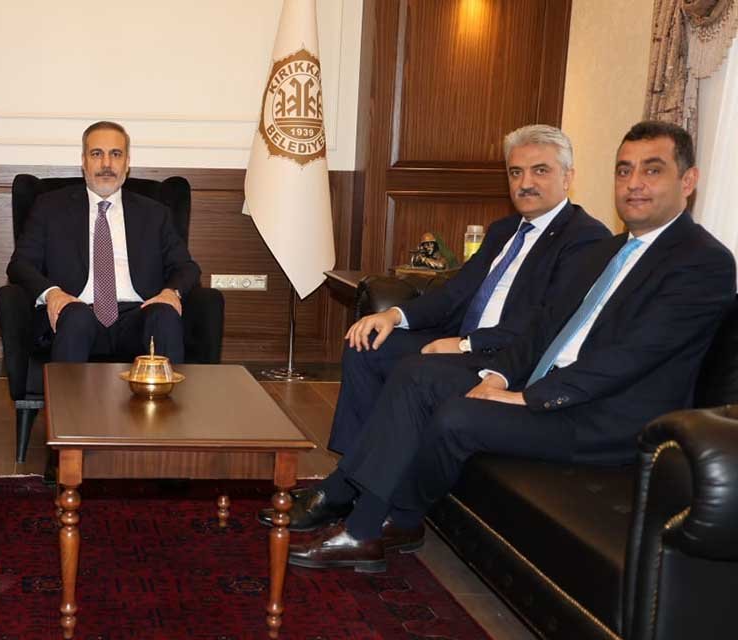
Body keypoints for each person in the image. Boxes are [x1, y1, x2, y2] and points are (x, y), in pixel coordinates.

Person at [285, 121, 735, 573]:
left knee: (455, 417)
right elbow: (542, 327)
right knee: (417, 376)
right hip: (547, 383)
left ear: (688, 181)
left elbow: (632, 356)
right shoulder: (609, 252)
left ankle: (376, 523)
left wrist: (527, 397)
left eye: (652, 170)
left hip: (605, 417)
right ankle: (372, 512)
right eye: (624, 170)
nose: (634, 183)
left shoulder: (703, 262)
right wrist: (497, 377)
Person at [327, 125, 610, 458]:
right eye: (516, 172)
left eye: (540, 171)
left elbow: (547, 322)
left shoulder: (585, 238)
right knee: (365, 345)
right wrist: (393, 315)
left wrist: (466, 345)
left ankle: (368, 473)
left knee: (415, 371)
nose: (525, 183)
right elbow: (453, 293)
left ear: (567, 177)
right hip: (464, 340)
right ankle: (351, 463)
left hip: (506, 357)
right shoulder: (504, 230)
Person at [6, 120, 201, 364]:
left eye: (115, 154)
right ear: (84, 161)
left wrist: (171, 293)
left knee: (164, 314)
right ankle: (68, 391)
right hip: (76, 312)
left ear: (127, 162)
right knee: (76, 316)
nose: (106, 164)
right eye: (97, 154)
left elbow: (186, 267)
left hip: (138, 316)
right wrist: (52, 294)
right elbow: (20, 265)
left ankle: (167, 390)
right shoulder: (49, 207)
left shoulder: (154, 213)